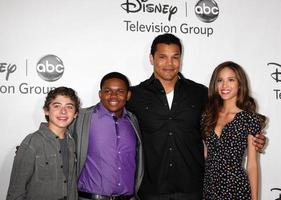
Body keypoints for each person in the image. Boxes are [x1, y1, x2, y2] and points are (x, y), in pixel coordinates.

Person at [126, 33, 266, 200]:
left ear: (181, 59)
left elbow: (227, 122)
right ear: (151, 58)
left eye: (175, 57)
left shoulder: (200, 93)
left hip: (194, 190)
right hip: (151, 191)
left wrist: (255, 138)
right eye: (162, 57)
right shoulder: (134, 96)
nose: (169, 63)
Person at [69, 72, 143, 200]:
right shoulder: (81, 118)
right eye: (108, 91)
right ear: (100, 94)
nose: (113, 96)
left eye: (120, 91)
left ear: (128, 95)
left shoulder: (133, 121)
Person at [201, 61, 267, 200]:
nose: (224, 85)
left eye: (231, 80)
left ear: (240, 84)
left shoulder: (249, 118)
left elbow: (252, 164)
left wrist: (254, 199)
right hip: (209, 187)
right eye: (220, 80)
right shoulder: (207, 116)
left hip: (236, 187)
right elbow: (205, 155)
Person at [6, 86, 80, 200]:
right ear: (46, 110)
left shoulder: (71, 142)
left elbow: (71, 187)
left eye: (69, 107)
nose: (63, 111)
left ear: (75, 113)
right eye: (57, 106)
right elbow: (16, 192)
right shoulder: (32, 142)